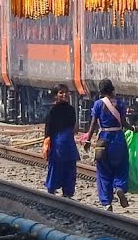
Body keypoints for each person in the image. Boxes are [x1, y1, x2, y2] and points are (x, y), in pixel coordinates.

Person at [88, 78, 130, 210]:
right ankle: (119, 187)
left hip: (103, 140)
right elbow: (124, 123)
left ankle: (107, 202)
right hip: (118, 138)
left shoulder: (98, 104)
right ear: (112, 89)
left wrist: (88, 140)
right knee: (121, 167)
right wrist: (134, 129)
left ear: (100, 91)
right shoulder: (120, 103)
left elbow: (93, 124)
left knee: (103, 171)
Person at [42, 85, 80, 198]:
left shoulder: (53, 110)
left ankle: (52, 190)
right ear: (55, 95)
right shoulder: (69, 109)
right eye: (61, 92)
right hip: (65, 142)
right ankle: (67, 192)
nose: (64, 94)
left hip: (60, 143)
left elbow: (48, 130)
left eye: (66, 92)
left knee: (56, 168)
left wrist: (46, 142)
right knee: (69, 168)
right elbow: (72, 126)